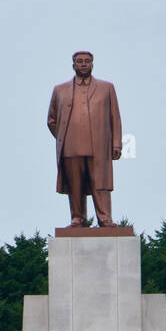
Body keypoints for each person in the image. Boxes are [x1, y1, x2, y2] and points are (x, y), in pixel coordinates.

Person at [48, 51, 122, 227]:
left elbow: (115, 118)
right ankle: (77, 218)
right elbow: (52, 120)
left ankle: (105, 218)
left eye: (87, 61)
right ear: (73, 65)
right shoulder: (60, 90)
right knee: (75, 184)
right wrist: (64, 136)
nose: (83, 64)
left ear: (92, 64)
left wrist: (116, 143)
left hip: (99, 146)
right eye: (79, 61)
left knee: (101, 183)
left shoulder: (107, 88)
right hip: (71, 147)